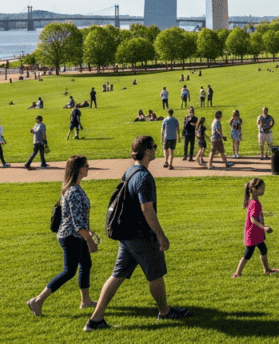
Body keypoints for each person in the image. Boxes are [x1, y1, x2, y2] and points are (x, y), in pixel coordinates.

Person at [83, 136, 190, 331]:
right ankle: (165, 312)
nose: (156, 149)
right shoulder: (144, 177)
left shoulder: (131, 171)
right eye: (154, 147)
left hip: (127, 236)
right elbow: (147, 209)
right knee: (155, 274)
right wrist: (160, 235)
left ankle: (95, 320)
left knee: (117, 275)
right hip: (141, 235)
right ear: (147, 151)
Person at [27, 156, 98, 316]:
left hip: (76, 235)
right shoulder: (73, 191)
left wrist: (87, 232)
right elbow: (76, 220)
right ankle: (37, 301)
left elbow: (79, 216)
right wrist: (89, 239)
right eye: (86, 165)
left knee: (85, 264)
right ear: (79, 169)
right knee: (69, 271)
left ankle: (85, 301)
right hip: (71, 236)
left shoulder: (73, 187)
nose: (88, 168)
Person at [232, 178, 279, 278]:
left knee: (263, 249)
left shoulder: (253, 201)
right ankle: (237, 273)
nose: (263, 190)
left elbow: (254, 214)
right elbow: (253, 219)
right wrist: (264, 227)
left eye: (264, 188)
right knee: (248, 254)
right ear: (253, 189)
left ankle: (267, 269)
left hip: (256, 233)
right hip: (252, 234)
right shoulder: (254, 203)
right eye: (261, 188)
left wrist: (264, 213)